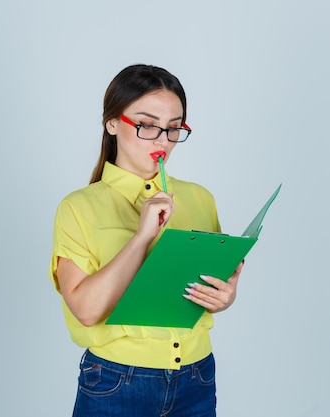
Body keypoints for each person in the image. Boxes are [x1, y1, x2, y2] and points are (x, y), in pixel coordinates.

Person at [49, 64, 245, 417]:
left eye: (173, 128)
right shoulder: (79, 207)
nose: (162, 140)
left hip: (197, 377)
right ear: (112, 123)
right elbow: (87, 310)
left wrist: (224, 296)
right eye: (147, 124)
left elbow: (202, 289)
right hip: (117, 381)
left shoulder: (201, 198)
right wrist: (141, 237)